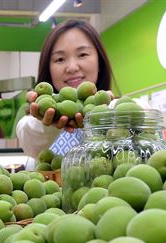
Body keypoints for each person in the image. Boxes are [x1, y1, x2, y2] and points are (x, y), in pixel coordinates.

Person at [16, 19, 117, 164]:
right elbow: (30, 143)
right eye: (60, 59)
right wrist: (46, 122)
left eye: (82, 54)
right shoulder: (32, 120)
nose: (72, 67)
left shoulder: (119, 107)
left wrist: (114, 115)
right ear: (48, 68)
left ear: (100, 62)